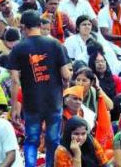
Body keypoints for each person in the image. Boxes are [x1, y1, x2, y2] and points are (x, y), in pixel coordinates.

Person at [8, 10, 71, 167]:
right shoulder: (55, 44)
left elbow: (15, 81)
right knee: (53, 141)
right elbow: (66, 75)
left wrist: (14, 106)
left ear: (23, 27)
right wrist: (64, 86)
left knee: (31, 140)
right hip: (54, 101)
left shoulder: (18, 48)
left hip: (31, 103)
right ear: (39, 24)